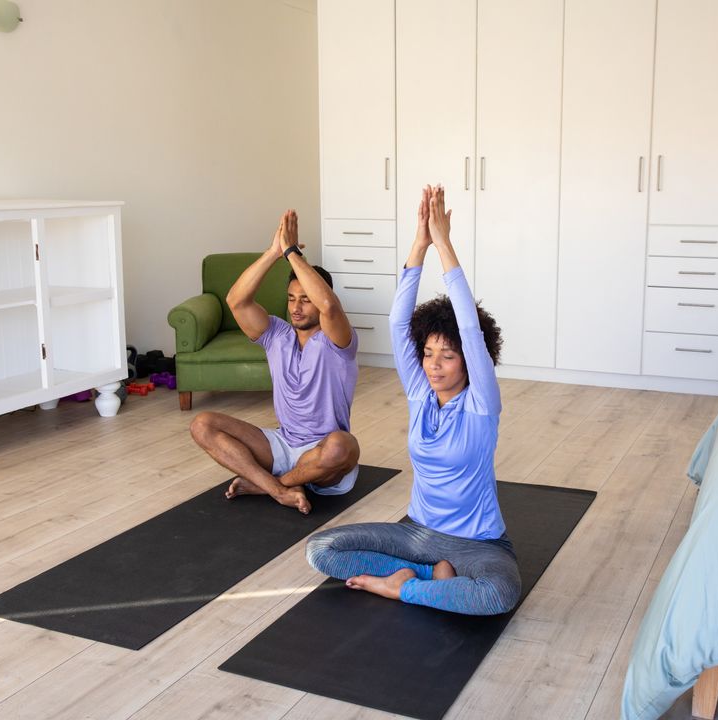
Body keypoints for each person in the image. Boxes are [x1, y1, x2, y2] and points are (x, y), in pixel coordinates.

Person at [305, 185, 521, 615]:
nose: (434, 365)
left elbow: (470, 329)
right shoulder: (421, 395)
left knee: (497, 594)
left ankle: (400, 587)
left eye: (448, 355)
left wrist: (444, 243)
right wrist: (418, 245)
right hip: (418, 535)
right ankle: (430, 577)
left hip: (478, 544)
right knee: (321, 549)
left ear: (468, 362)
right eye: (427, 353)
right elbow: (397, 321)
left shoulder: (482, 403)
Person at [190, 209, 360, 514]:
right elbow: (236, 301)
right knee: (202, 425)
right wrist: (273, 253)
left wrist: (293, 253)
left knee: (342, 446)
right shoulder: (276, 335)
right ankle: (278, 489)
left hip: (321, 453)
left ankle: (266, 483)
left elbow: (329, 306)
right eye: (292, 298)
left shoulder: (337, 341)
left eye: (305, 299)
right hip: (281, 445)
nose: (296, 307)